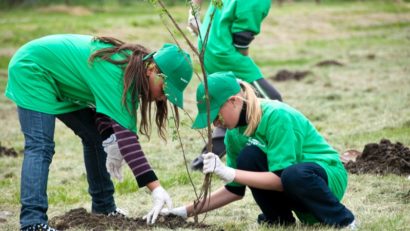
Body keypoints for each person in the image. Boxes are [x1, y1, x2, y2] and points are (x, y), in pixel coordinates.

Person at [5, 34, 193, 230]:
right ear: (152, 69)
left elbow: (103, 110)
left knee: (95, 137)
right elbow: (128, 141)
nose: (163, 98)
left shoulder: (133, 72)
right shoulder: (118, 74)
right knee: (40, 146)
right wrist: (156, 188)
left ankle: (104, 207)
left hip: (56, 77)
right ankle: (32, 222)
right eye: (164, 90)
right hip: (33, 68)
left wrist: (108, 140)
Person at [161, 72, 356, 228]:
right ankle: (280, 221)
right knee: (249, 156)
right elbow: (234, 190)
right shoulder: (234, 134)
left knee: (292, 174)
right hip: (295, 184)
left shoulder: (277, 116)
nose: (214, 122)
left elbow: (282, 179)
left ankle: (344, 221)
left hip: (326, 178)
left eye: (215, 113)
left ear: (234, 101)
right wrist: (184, 211)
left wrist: (229, 172)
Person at [187, 0, 283, 170]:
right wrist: (243, 62)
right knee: (272, 100)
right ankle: (280, 151)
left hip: (210, 45)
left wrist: (193, 12)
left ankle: (206, 158)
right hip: (224, 52)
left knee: (230, 101)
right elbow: (242, 40)